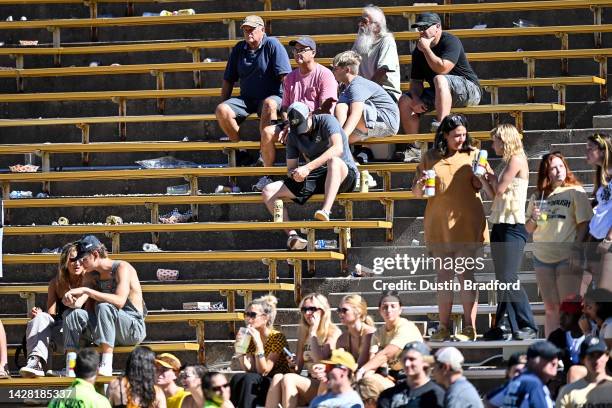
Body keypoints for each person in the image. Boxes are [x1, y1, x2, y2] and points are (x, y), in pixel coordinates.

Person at [411, 114, 488, 341]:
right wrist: (421, 183)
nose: (461, 139)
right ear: (445, 135)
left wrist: (478, 177)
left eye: (464, 135)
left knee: (465, 274)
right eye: (456, 135)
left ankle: (469, 327)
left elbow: (480, 186)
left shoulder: (473, 154)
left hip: (467, 222)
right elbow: (417, 193)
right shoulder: (430, 157)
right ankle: (443, 326)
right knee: (443, 276)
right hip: (439, 224)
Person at [261, 102, 358, 250]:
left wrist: (307, 167)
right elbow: (291, 168)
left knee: (333, 161)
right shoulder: (293, 133)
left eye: (302, 125)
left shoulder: (326, 120)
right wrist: (295, 175)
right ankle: (293, 236)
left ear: (310, 115)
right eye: (296, 128)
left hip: (344, 173)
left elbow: (338, 148)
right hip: (316, 176)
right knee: (268, 190)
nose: (301, 132)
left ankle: (326, 211)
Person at [255, 36, 338, 191]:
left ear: (313, 52)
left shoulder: (325, 75)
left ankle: (311, 176)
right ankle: (268, 176)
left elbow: (326, 109)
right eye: (295, 50)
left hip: (316, 124)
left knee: (304, 134)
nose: (298, 53)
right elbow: (285, 107)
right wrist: (288, 123)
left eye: (302, 50)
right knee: (267, 132)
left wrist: (300, 124)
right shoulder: (290, 78)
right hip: (293, 124)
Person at [479, 124, 538, 341]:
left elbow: (499, 190)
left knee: (508, 278)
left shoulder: (516, 159)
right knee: (502, 278)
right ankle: (503, 325)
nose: (493, 144)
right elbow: (494, 193)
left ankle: (528, 323)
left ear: (505, 140)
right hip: (502, 223)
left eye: (495, 140)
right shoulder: (509, 162)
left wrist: (488, 175)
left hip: (513, 225)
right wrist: (485, 177)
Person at [524, 151, 592, 337]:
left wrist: (577, 249)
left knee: (568, 307)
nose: (559, 171)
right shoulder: (539, 196)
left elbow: (584, 223)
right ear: (546, 172)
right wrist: (534, 218)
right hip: (542, 258)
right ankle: (553, 347)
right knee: (551, 308)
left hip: (566, 256)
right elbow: (529, 229)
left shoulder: (575, 191)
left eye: (561, 166)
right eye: (553, 167)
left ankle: (572, 349)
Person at [398, 12, 481, 163]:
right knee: (405, 100)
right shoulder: (419, 51)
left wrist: (427, 50)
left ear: (437, 27)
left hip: (469, 90)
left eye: (425, 27)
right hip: (440, 91)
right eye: (419, 28)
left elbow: (443, 68)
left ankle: (442, 131)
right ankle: (414, 148)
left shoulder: (450, 41)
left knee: (440, 79)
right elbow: (416, 81)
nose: (421, 31)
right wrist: (415, 99)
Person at [63, 235, 147, 376]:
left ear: (95, 254)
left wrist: (87, 290)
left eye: (84, 260)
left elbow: (120, 301)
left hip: (132, 329)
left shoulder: (122, 267)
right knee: (72, 315)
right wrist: (70, 302)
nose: (81, 265)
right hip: (105, 330)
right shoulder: (91, 275)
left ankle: (106, 364)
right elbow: (81, 305)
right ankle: (71, 366)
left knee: (104, 306)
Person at [215, 14, 292, 166]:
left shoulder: (272, 44)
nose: (249, 32)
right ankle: (241, 150)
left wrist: (287, 109)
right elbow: (228, 79)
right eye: (245, 30)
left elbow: (286, 79)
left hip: (274, 96)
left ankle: (263, 152)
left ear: (262, 30)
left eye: (252, 29)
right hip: (247, 99)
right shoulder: (239, 48)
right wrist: (224, 107)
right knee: (222, 110)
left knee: (268, 103)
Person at [20, 242, 92, 378]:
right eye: (72, 259)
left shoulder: (90, 280)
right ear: (65, 262)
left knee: (74, 314)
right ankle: (35, 362)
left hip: (85, 333)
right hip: (62, 332)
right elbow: (51, 316)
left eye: (80, 259)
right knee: (40, 318)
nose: (77, 263)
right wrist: (40, 314)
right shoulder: (56, 283)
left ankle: (70, 368)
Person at [265, 293, 341, 408]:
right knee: (278, 377)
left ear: (323, 310)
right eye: (304, 309)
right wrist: (292, 364)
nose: (307, 313)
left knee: (289, 379)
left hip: (325, 384)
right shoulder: (303, 332)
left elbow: (321, 361)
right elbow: (297, 370)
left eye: (312, 309)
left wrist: (313, 333)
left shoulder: (333, 332)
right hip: (309, 382)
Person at [231, 295, 290, 408]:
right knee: (237, 378)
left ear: (265, 318)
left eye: (252, 315)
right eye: (246, 314)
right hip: (260, 380)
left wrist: (259, 343)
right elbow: (252, 370)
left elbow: (264, 371)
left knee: (249, 379)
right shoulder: (250, 336)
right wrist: (240, 353)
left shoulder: (277, 337)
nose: (248, 318)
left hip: (276, 383)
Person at [333, 50, 400, 144]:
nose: (333, 72)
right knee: (334, 145)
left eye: (335, 68)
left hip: (386, 122)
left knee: (342, 107)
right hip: (371, 122)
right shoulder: (346, 88)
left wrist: (341, 137)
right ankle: (337, 139)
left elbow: (356, 113)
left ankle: (337, 136)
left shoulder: (356, 85)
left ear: (347, 70)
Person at [355, 292, 423, 382]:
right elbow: (373, 362)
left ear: (400, 310)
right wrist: (365, 379)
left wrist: (361, 371)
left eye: (393, 306)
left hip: (412, 373)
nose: (389, 310)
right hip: (392, 374)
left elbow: (387, 353)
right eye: (385, 307)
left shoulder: (407, 327)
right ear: (380, 310)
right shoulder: (378, 333)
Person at [352, 6, 400, 102]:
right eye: (360, 20)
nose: (360, 24)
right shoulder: (361, 42)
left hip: (385, 93)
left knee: (356, 109)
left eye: (364, 21)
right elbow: (349, 63)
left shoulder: (387, 41)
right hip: (363, 92)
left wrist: (365, 92)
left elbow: (382, 71)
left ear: (377, 26)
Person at [377, 342, 445, 408]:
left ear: (426, 362)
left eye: (412, 359)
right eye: (404, 359)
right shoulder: (388, 395)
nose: (407, 364)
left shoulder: (437, 395)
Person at [584, 133, 612, 290]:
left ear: (602, 151)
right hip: (597, 238)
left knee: (604, 292)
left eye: (590, 148)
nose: (586, 152)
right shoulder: (601, 175)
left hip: (607, 241)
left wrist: (608, 239)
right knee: (596, 290)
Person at [556, 336, 612, 408]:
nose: (596, 361)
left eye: (599, 355)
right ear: (582, 359)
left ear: (607, 357)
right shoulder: (568, 392)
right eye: (591, 356)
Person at [500, 341, 560, 408]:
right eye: (549, 357)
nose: (554, 362)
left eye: (556, 357)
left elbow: (489, 401)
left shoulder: (533, 383)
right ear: (534, 361)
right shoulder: (533, 383)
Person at [547, 295, 586, 382]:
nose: (561, 318)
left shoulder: (592, 336)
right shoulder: (556, 336)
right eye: (561, 313)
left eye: (567, 314)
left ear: (580, 316)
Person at [335, 294, 376, 367]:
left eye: (344, 310)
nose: (340, 314)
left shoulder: (370, 334)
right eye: (339, 310)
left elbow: (363, 363)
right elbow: (338, 364)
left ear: (358, 312)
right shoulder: (342, 339)